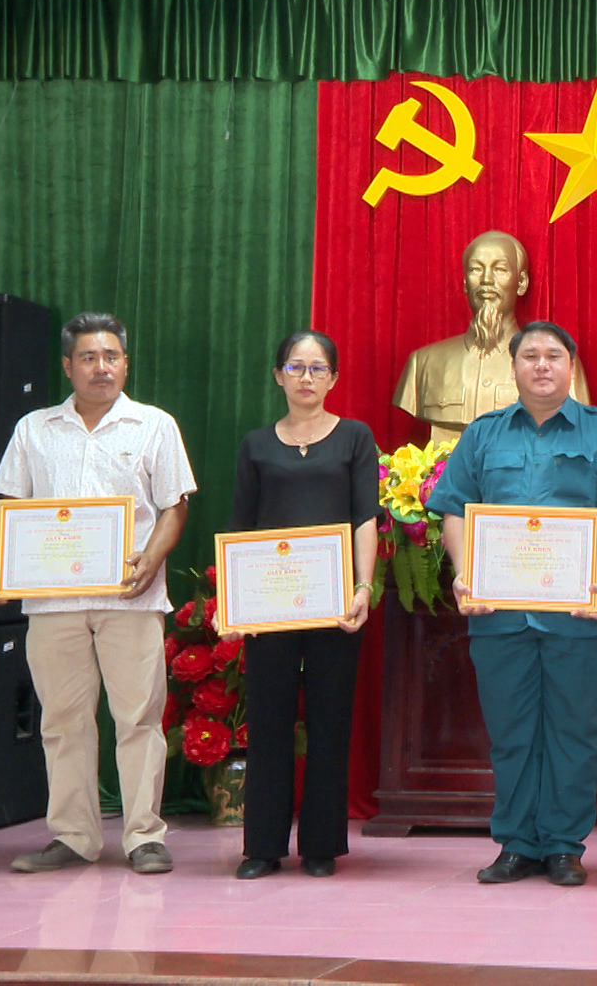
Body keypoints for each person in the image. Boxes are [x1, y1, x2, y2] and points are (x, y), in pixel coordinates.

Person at [427, 321, 597, 886]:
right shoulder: (483, 434)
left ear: (571, 366)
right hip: (499, 613)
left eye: (554, 355)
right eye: (530, 356)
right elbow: (455, 508)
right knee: (511, 731)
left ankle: (564, 845)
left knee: (574, 731)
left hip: (578, 611)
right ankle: (516, 843)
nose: (542, 365)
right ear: (514, 367)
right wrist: (465, 573)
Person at [0, 312, 196, 875]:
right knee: (62, 721)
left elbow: (175, 506)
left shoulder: (154, 425)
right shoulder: (35, 429)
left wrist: (152, 559)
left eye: (112, 357)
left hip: (130, 596)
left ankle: (144, 836)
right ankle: (73, 837)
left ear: (126, 364)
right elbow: (12, 506)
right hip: (52, 602)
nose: (102, 367)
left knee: (138, 718)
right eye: (90, 357)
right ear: (67, 365)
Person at [228, 330, 379, 880]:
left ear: (333, 378)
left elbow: (365, 517)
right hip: (269, 607)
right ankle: (262, 846)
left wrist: (363, 587)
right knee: (268, 720)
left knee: (329, 721)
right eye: (296, 367)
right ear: (278, 376)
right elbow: (241, 526)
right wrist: (234, 602)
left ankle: (321, 844)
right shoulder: (256, 445)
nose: (307, 377)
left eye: (318, 368)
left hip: (335, 604)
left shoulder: (355, 438)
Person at [393, 230, 590, 444]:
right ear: (465, 283)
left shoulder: (559, 365)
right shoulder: (423, 364)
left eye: (500, 269)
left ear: (521, 283)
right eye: (476, 269)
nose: (486, 280)